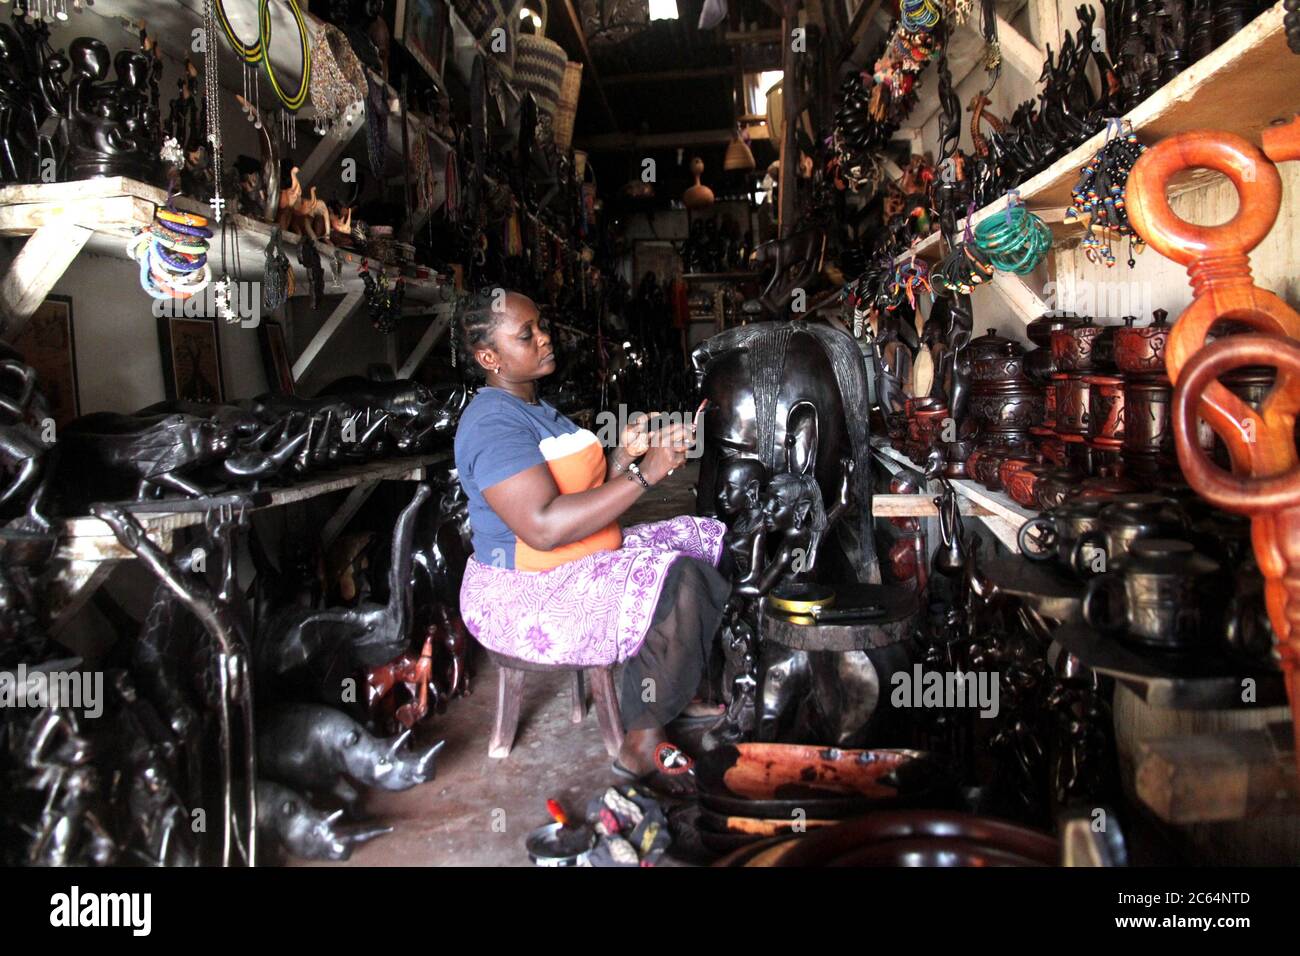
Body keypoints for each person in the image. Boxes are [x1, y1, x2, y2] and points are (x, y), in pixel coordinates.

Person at [452, 290, 729, 796]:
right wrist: (645, 477)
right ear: (488, 358)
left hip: (579, 556)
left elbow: (575, 490)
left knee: (702, 537)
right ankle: (642, 742)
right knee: (681, 582)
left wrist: (623, 457)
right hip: (527, 589)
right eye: (525, 335)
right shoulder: (493, 423)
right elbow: (542, 526)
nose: (544, 338)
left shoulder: (536, 406)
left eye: (541, 326)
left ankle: (669, 685)